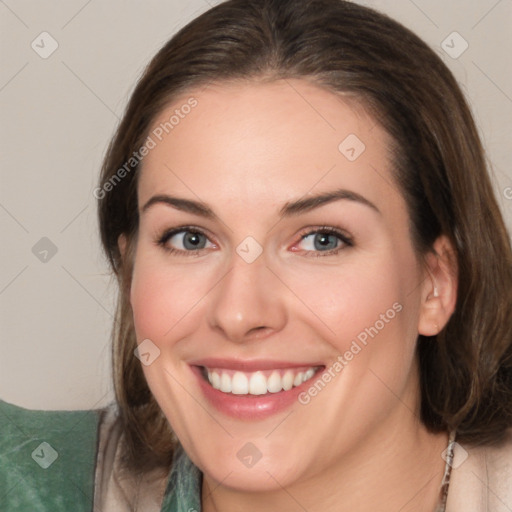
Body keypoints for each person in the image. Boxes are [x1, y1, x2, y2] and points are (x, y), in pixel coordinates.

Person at [1, 0, 511, 510]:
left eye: (321, 239)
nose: (240, 313)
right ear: (131, 267)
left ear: (435, 283)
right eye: (190, 238)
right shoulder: (27, 481)